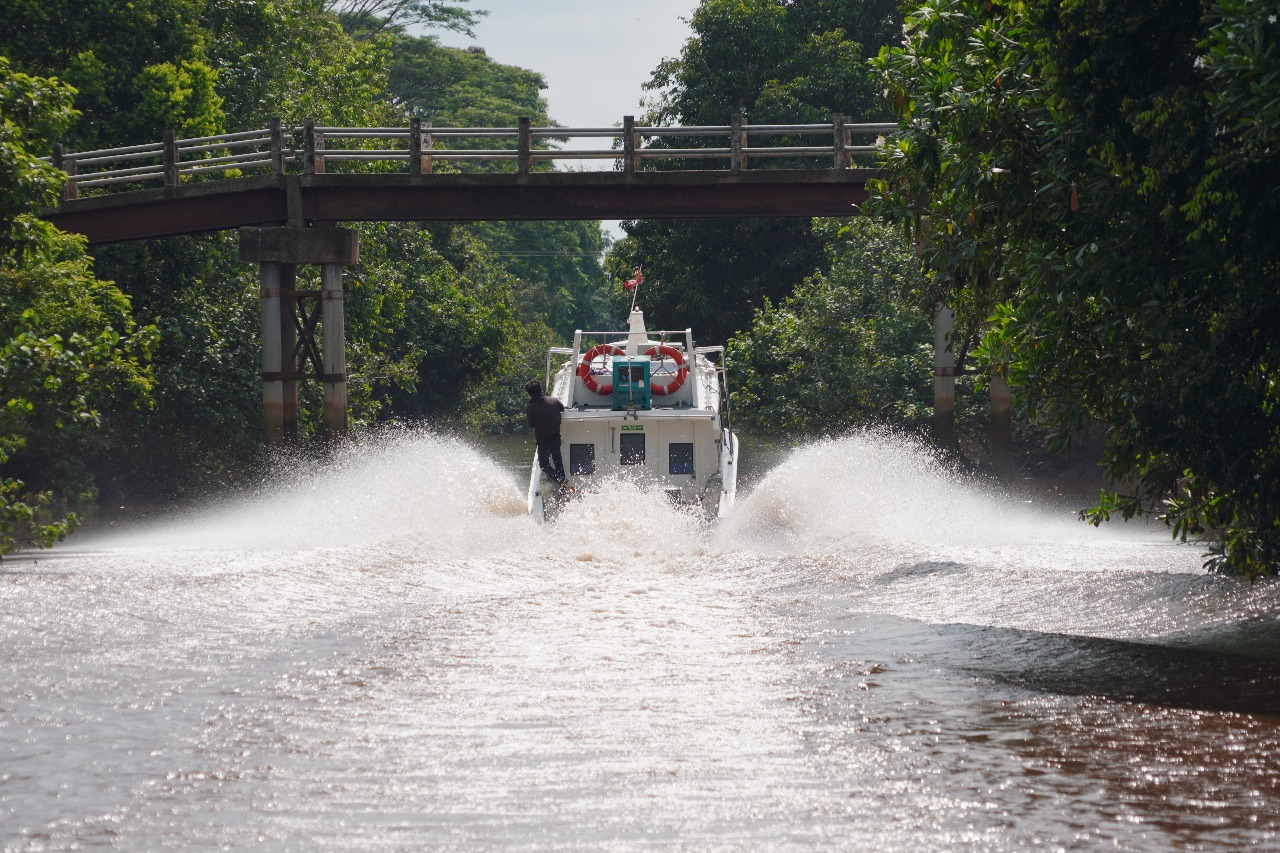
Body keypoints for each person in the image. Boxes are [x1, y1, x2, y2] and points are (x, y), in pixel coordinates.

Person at [525, 378, 566, 486]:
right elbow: (562, 409)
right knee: (558, 462)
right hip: (556, 438)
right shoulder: (554, 401)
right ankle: (562, 483)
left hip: (543, 441)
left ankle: (560, 480)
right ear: (540, 390)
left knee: (544, 465)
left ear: (529, 394)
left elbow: (531, 424)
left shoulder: (531, 408)